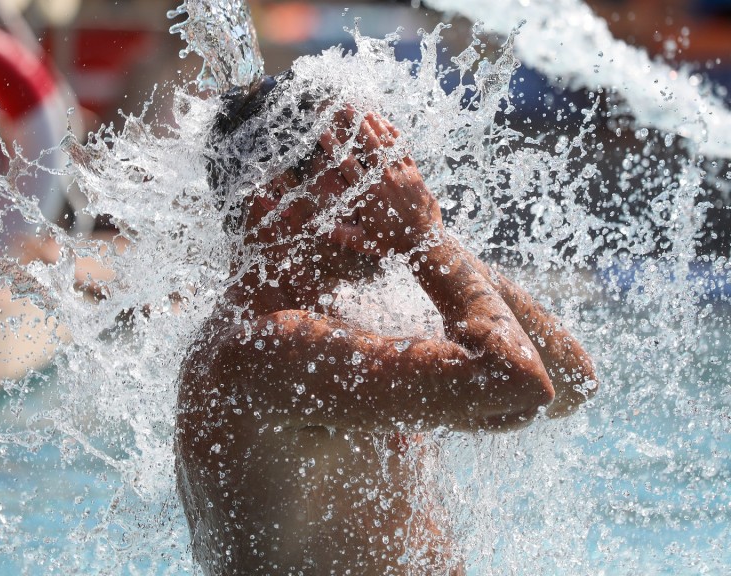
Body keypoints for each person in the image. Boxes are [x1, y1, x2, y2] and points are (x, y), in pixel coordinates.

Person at [175, 74, 597, 575]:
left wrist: (426, 234)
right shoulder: (261, 346)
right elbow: (516, 381)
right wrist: (424, 236)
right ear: (273, 197)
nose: (383, 184)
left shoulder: (356, 314)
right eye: (357, 168)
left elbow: (572, 382)